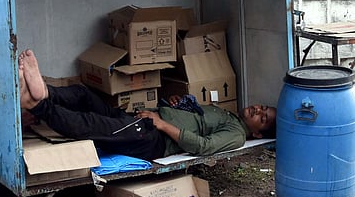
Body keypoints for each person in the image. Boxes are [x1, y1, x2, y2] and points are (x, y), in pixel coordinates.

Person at [18, 49, 275, 160]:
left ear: (257, 133)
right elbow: (195, 120)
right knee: (84, 95)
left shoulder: (237, 135)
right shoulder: (228, 115)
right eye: (262, 107)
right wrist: (173, 106)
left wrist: (162, 124)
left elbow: (203, 146)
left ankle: (36, 103)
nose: (258, 111)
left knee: (92, 125)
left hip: (152, 139)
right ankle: (44, 91)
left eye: (262, 118)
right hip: (143, 118)